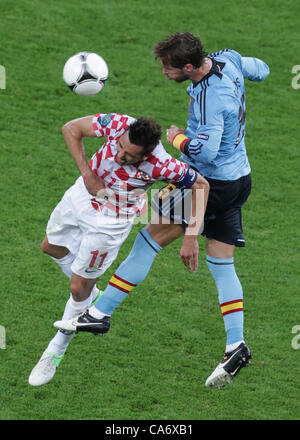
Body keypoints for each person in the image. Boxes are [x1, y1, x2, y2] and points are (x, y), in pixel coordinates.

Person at [55, 32, 270, 389]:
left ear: (189, 67)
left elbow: (207, 153)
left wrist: (176, 138)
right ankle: (236, 345)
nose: (164, 73)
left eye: (169, 69)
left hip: (211, 182)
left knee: (146, 242)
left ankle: (99, 314)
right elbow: (260, 70)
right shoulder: (228, 58)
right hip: (239, 179)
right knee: (222, 264)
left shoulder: (210, 99)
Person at [28, 111, 209, 386]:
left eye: (129, 155)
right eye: (120, 146)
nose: (119, 155)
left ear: (146, 155)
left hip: (110, 221)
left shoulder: (162, 165)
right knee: (50, 247)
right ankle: (93, 295)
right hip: (82, 196)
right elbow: (70, 128)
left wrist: (191, 236)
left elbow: (201, 185)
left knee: (77, 289)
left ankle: (55, 351)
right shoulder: (117, 124)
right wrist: (88, 175)